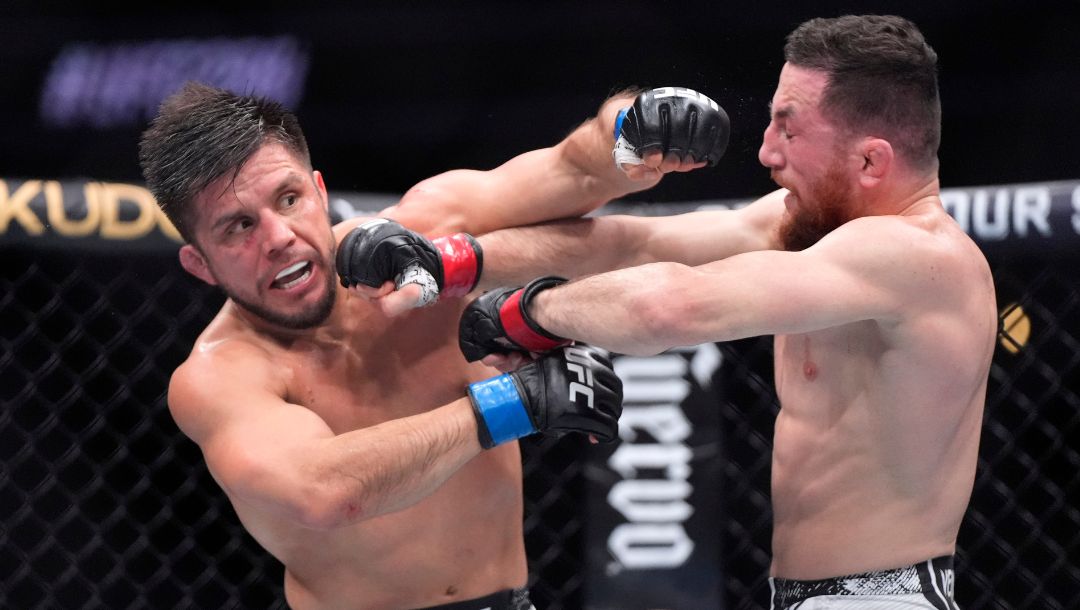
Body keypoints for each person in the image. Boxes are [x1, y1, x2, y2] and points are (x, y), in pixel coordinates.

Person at [347, 15, 996, 610]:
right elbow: (637, 241)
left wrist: (533, 311)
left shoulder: (918, 257)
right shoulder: (809, 228)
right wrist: (456, 260)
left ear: (870, 159)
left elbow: (670, 306)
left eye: (790, 128)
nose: (767, 151)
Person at [137, 81, 718, 609]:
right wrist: (517, 402)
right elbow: (325, 491)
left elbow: (576, 170)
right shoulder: (219, 377)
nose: (279, 238)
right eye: (238, 227)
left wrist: (634, 126)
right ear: (200, 264)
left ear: (318, 191)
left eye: (288, 200)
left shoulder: (419, 240)